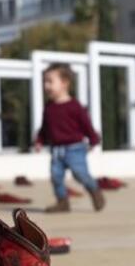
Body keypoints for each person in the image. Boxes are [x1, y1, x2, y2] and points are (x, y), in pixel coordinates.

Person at [33, 64, 105, 213]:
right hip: (56, 150)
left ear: (65, 83)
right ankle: (62, 202)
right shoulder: (49, 107)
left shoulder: (75, 106)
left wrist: (93, 139)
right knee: (56, 177)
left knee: (80, 174)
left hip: (75, 148)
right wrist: (39, 140)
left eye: (50, 81)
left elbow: (87, 125)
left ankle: (94, 190)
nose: (46, 86)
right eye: (44, 82)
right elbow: (45, 127)